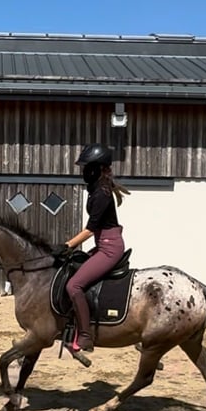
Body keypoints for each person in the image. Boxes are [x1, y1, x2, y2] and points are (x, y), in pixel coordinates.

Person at [51, 143, 130, 352]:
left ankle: (85, 336)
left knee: (74, 286)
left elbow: (90, 229)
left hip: (109, 248)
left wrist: (67, 245)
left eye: (87, 167)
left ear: (98, 168)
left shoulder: (102, 194)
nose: (84, 171)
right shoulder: (96, 190)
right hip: (103, 245)